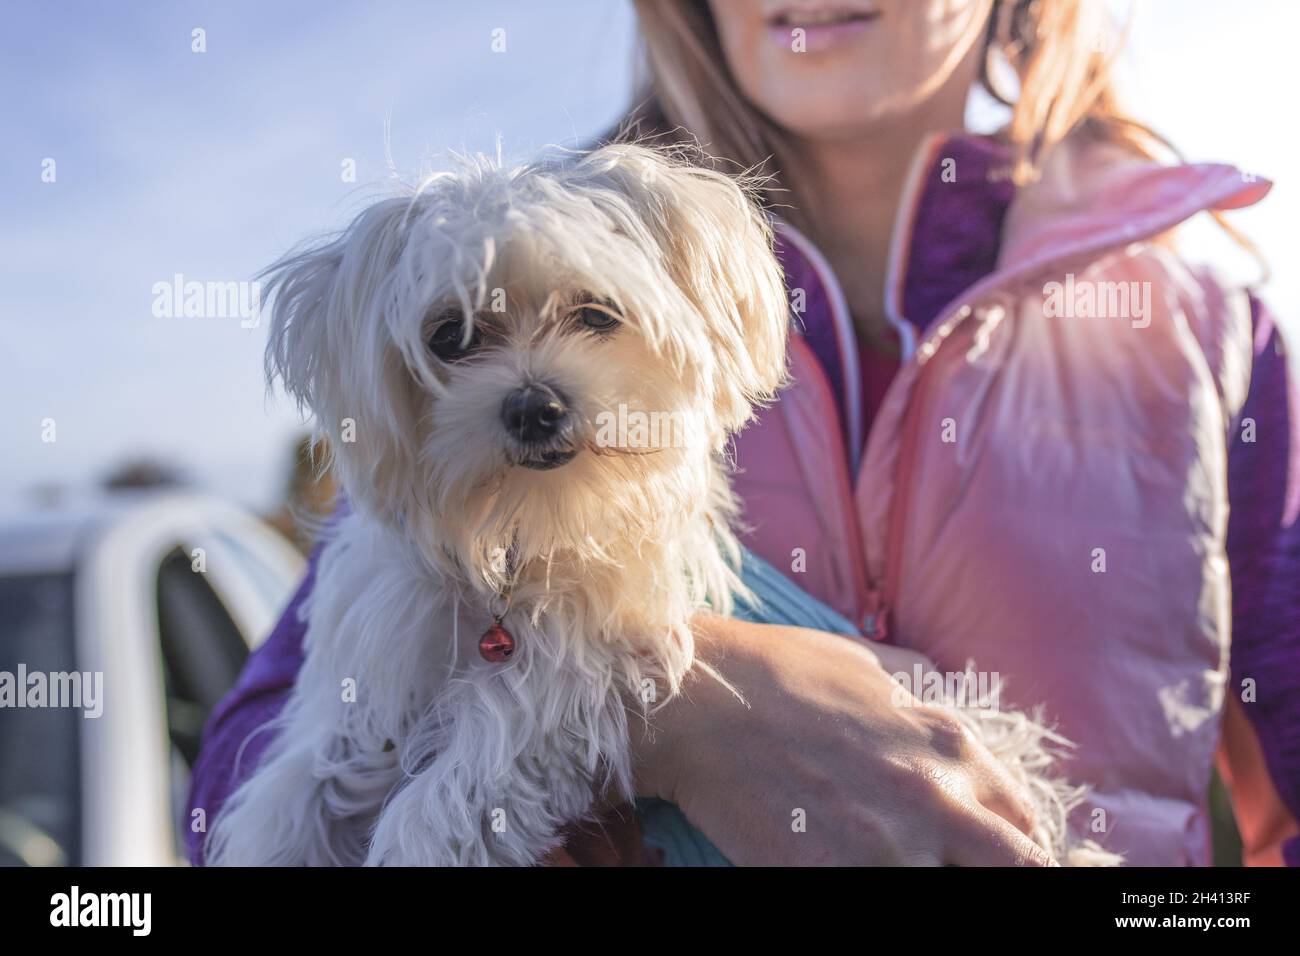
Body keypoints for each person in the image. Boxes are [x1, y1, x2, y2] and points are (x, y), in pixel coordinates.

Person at [189, 0, 1299, 866]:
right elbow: (258, 768)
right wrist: (673, 711)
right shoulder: (465, 253)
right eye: (459, 338)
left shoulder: (1212, 334)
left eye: (592, 317)